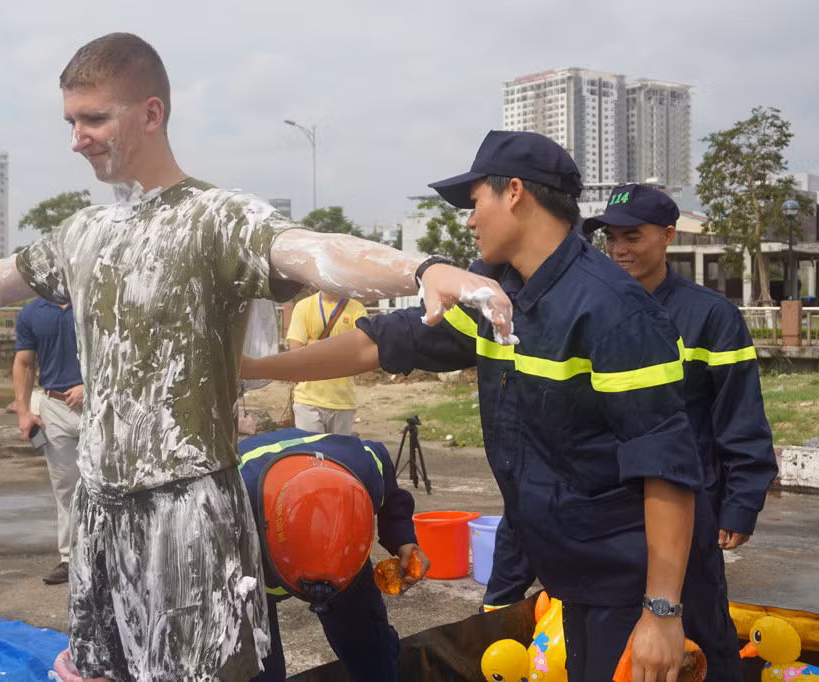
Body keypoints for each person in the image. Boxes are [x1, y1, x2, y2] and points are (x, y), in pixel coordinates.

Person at [0, 33, 513, 682]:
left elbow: (312, 250)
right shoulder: (84, 233)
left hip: (191, 508)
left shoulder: (217, 217)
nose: (78, 138)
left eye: (94, 119)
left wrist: (423, 269)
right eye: (70, 122)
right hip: (104, 506)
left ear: (150, 113)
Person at [242, 130, 705, 681]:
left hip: (629, 581)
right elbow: (377, 341)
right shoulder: (494, 292)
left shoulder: (612, 311)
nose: (468, 220)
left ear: (514, 192)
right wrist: (251, 370)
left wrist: (662, 611)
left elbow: (667, 468)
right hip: (570, 570)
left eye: (474, 202)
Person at [581, 183, 778, 679]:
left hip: (690, 504)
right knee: (613, 643)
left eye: (633, 237)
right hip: (609, 509)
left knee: (701, 631)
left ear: (667, 236)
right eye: (611, 239)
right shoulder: (591, 311)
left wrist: (741, 503)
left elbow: (739, 414)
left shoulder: (711, 315)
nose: (619, 250)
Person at [238, 428, 429, 681]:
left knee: (373, 649)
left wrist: (403, 538)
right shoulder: (230, 506)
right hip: (249, 572)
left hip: (345, 555)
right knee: (258, 669)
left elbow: (390, 492)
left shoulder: (366, 467)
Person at [13, 297, 84, 585]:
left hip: (98, 405)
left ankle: (110, 556)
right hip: (53, 406)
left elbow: (119, 353)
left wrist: (90, 385)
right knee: (66, 488)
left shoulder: (90, 300)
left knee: (107, 483)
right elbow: (24, 363)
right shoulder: (30, 312)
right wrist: (24, 411)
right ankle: (70, 559)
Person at [286, 291, 368, 434]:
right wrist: (341, 348)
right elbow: (296, 352)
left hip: (342, 401)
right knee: (310, 454)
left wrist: (311, 344)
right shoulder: (303, 306)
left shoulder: (357, 309)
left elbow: (358, 353)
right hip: (307, 400)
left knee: (337, 455)